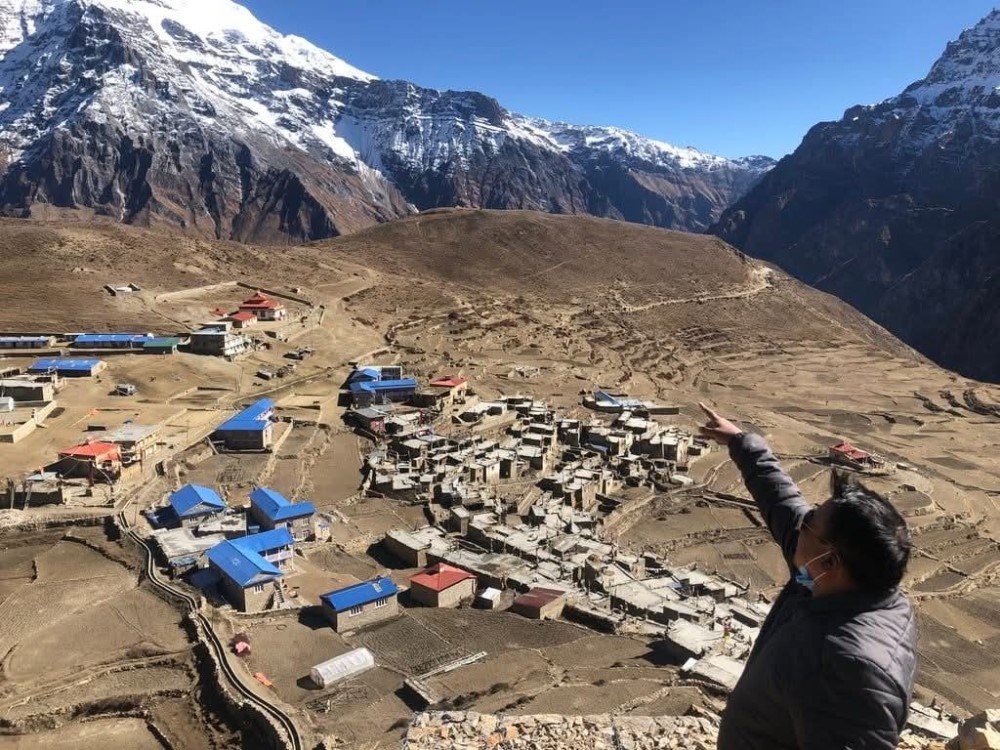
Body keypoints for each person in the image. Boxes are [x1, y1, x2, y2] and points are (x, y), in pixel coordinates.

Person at [699, 403, 917, 750]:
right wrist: (741, 442)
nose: (800, 523)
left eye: (809, 523)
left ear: (830, 560)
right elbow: (783, 501)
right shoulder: (829, 582)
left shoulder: (846, 668)